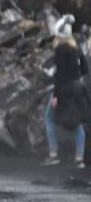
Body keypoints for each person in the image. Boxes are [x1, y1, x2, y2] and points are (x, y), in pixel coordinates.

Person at [43, 14, 88, 168]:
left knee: (49, 118)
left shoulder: (60, 48)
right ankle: (79, 159)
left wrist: (55, 95)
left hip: (64, 88)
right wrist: (77, 77)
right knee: (77, 122)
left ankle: (53, 155)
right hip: (77, 87)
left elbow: (59, 74)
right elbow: (85, 68)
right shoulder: (76, 46)